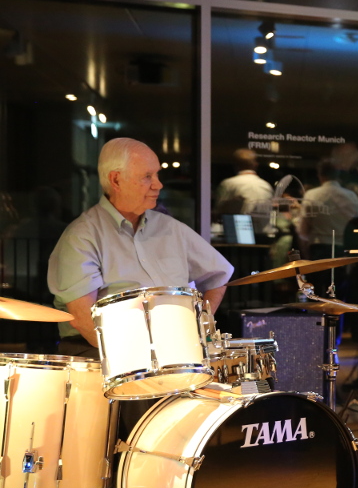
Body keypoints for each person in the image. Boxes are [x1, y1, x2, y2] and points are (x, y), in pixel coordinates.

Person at [48, 137, 233, 358]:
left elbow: (218, 276)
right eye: (147, 176)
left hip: (175, 350)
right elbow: (84, 321)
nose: (158, 184)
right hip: (104, 353)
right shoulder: (82, 236)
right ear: (116, 180)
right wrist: (145, 358)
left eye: (157, 175)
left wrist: (198, 327)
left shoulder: (171, 228)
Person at [298, 159, 358, 258]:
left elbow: (303, 231)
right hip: (344, 247)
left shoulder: (311, 195)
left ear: (320, 175)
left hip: (319, 247)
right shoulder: (351, 196)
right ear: (338, 175)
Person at [215, 148, 272, 226]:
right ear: (256, 165)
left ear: (235, 165)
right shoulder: (266, 185)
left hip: (238, 230)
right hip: (264, 231)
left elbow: (218, 214)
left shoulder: (228, 184)